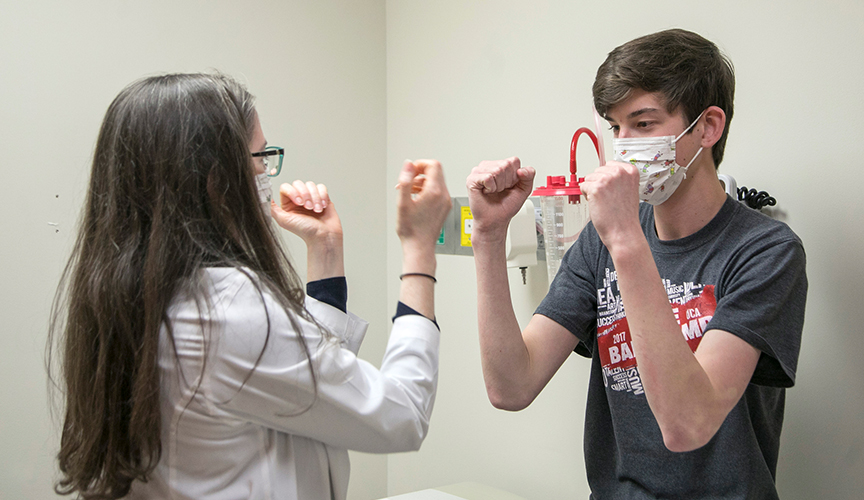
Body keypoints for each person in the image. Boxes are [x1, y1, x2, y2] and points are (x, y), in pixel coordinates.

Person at [48, 73, 452, 500]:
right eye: (260, 157)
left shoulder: (131, 292)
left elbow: (304, 385)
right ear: (214, 178)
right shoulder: (228, 308)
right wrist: (420, 248)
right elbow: (401, 415)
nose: (267, 172)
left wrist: (327, 251)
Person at [466, 29, 807, 499]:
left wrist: (626, 239)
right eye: (616, 127)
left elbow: (688, 425)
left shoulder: (766, 251)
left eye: (643, 125)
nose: (624, 146)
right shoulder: (599, 240)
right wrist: (488, 236)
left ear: (707, 127)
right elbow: (512, 385)